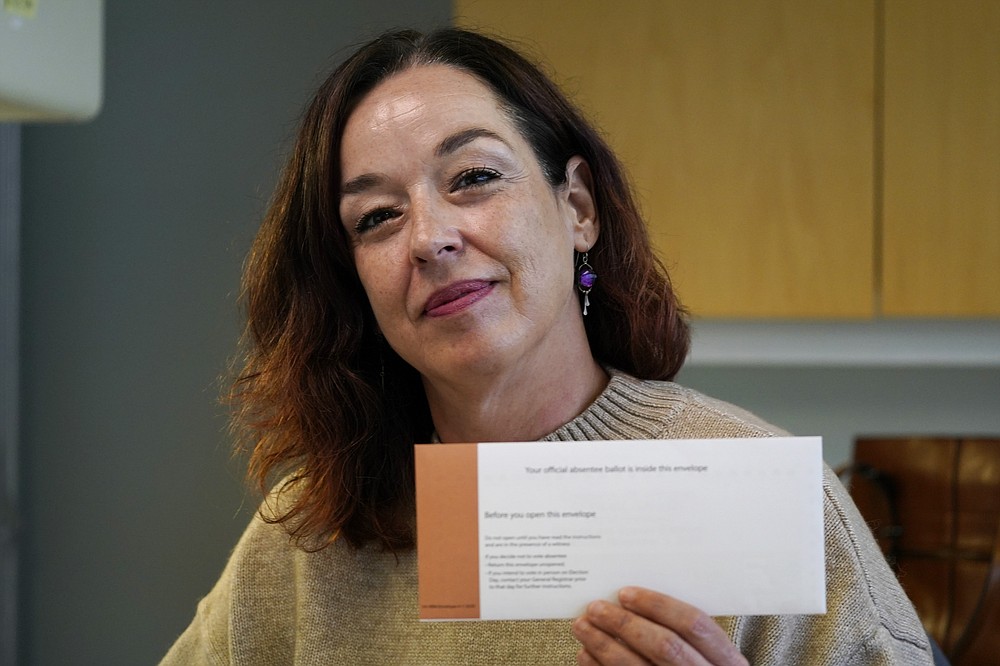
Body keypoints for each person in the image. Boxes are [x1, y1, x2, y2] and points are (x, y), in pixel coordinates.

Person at [162, 28, 933, 665]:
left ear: (579, 210)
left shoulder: (774, 509)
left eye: (472, 176)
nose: (430, 238)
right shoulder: (308, 535)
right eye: (377, 218)